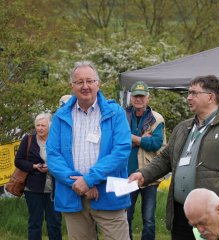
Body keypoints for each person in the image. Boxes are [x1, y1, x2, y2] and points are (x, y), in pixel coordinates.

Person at [129, 75, 219, 240]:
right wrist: (143, 174)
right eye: (188, 93)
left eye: (194, 93)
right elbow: (165, 158)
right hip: (182, 213)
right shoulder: (183, 127)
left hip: (214, 216)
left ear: (210, 96)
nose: (189, 97)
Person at [47, 61, 132, 240]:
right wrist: (79, 184)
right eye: (79, 82)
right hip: (73, 194)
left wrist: (90, 179)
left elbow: (121, 151)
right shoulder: (60, 117)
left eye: (90, 81)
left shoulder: (116, 113)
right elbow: (53, 156)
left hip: (109, 194)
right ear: (72, 86)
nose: (85, 86)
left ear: (98, 84)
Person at [126, 81, 166, 240]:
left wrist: (133, 138)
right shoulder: (122, 115)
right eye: (136, 96)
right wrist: (142, 139)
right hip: (127, 175)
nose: (138, 99)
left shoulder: (157, 118)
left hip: (149, 175)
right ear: (131, 98)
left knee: (148, 219)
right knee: (125, 216)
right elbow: (118, 140)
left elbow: (156, 144)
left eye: (142, 96)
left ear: (148, 98)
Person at [15, 112, 62, 240]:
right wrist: (34, 166)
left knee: (55, 223)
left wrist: (51, 167)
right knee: (35, 223)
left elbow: (64, 160)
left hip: (54, 188)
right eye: (38, 125)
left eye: (43, 125)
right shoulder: (28, 139)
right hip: (33, 188)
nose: (40, 128)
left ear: (49, 127)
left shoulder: (56, 140)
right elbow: (18, 161)